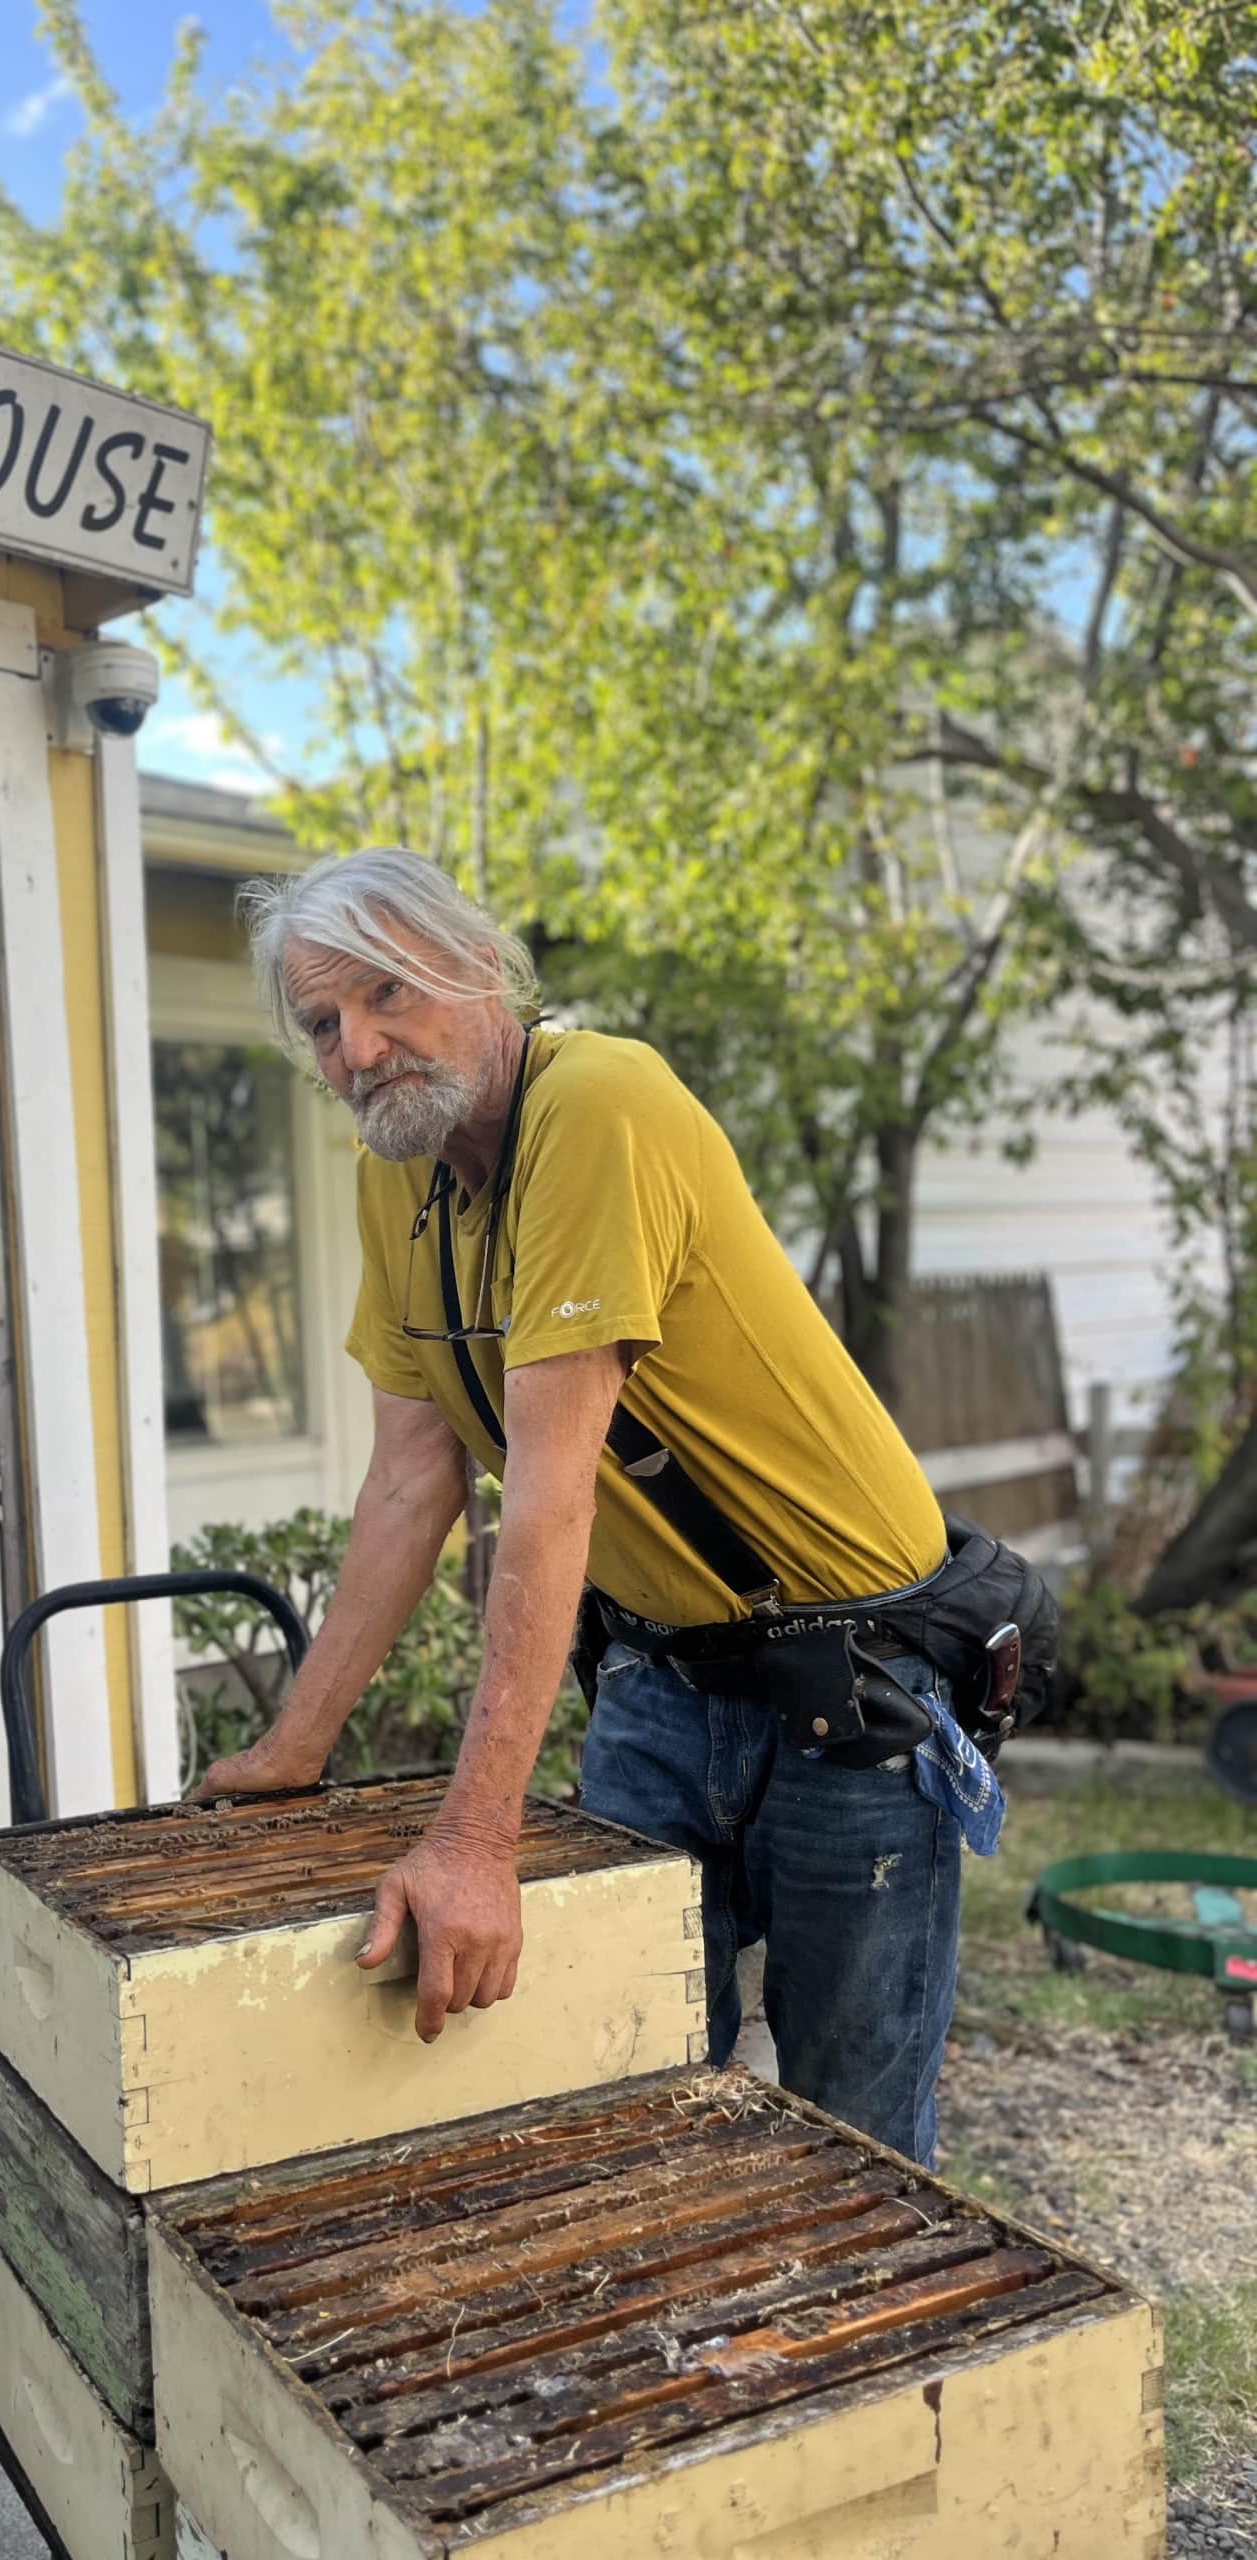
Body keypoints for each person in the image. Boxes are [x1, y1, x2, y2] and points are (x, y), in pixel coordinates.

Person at [195, 846, 1001, 2168]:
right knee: (622, 2079)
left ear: (480, 965)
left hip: (857, 1677)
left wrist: (472, 1841)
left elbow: (550, 1494)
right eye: (322, 1025)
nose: (360, 1046)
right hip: (663, 1676)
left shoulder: (600, 1104)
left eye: (387, 993)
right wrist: (295, 1744)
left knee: (850, 2129)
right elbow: (413, 1477)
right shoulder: (396, 1163)